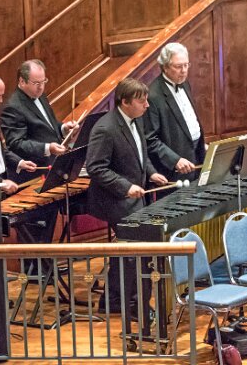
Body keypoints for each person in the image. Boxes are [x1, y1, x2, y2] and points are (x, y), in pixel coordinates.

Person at [85, 77, 167, 322]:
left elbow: (141, 154)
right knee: (133, 251)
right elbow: (96, 168)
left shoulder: (135, 120)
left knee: (127, 251)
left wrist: (151, 173)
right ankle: (133, 304)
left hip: (132, 198)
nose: (147, 105)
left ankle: (112, 300)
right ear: (125, 102)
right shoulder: (105, 129)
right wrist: (126, 187)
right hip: (114, 200)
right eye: (141, 101)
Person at [0, 59, 79, 183]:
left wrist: (64, 128)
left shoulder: (40, 95)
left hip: (53, 167)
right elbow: (16, 143)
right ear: (22, 81)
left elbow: (49, 125)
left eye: (43, 82)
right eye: (36, 83)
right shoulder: (12, 107)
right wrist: (47, 148)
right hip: (34, 173)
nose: (41, 87)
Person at [144, 42, 206, 190]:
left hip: (196, 158)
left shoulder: (185, 84)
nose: (184, 71)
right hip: (174, 169)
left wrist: (200, 144)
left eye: (186, 65)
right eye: (178, 66)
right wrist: (175, 160)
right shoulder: (153, 96)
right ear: (165, 67)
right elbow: (150, 140)